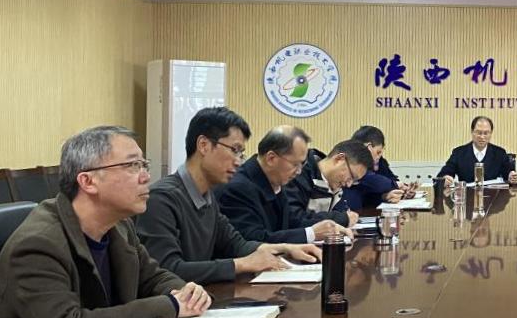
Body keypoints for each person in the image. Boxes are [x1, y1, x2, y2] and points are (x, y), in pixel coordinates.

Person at [0, 126, 211, 318]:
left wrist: (185, 292)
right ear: (88, 181)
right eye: (132, 165)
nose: (146, 176)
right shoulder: (38, 243)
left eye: (144, 164)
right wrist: (170, 305)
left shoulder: (119, 227)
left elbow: (152, 277)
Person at [137, 108, 322, 285]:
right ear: (204, 145)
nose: (238, 161)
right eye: (234, 150)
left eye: (241, 153)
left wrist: (286, 248)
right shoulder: (161, 199)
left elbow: (237, 245)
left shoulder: (207, 196)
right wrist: (240, 264)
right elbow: (167, 270)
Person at [217, 126, 352, 244]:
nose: (299, 171)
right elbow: (252, 240)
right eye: (295, 164)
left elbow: (292, 222)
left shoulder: (274, 181)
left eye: (302, 164)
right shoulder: (238, 187)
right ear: (271, 158)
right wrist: (311, 234)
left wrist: (328, 227)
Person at [285, 139, 372, 227]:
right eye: (351, 176)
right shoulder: (297, 172)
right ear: (339, 159)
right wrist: (340, 219)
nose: (349, 184)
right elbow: (293, 219)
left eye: (355, 181)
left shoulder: (336, 186)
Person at [344, 125, 413, 210]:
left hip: (363, 211)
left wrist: (403, 190)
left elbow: (389, 179)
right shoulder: (352, 161)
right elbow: (370, 180)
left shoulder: (378, 161)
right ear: (369, 147)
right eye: (378, 152)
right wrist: (395, 185)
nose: (379, 156)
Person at [437, 116, 517, 185]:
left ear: (491, 133)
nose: (482, 137)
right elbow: (445, 172)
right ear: (472, 132)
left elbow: (509, 173)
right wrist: (446, 178)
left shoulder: (499, 153)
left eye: (486, 133)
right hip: (467, 197)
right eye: (479, 133)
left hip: (493, 197)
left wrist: (512, 177)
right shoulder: (459, 153)